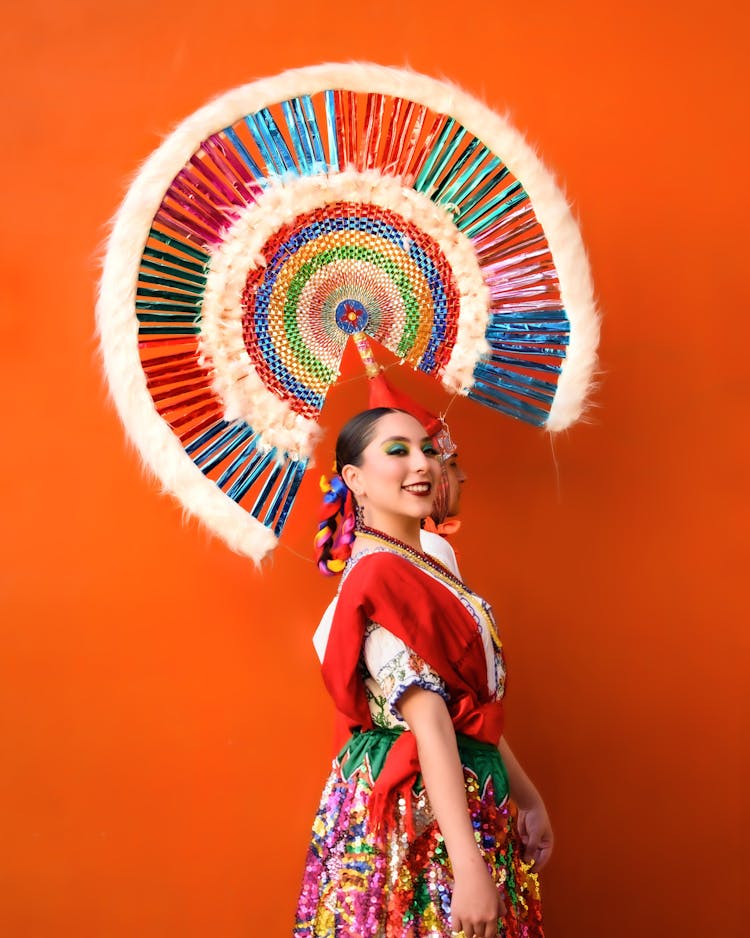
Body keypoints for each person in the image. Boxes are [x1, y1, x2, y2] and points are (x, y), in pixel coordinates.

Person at [296, 407, 548, 938]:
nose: (423, 464)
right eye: (397, 451)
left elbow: (466, 711)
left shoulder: (424, 557)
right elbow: (430, 723)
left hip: (471, 791)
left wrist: (527, 797)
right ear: (354, 480)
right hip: (422, 816)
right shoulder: (379, 575)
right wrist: (466, 864)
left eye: (428, 450)